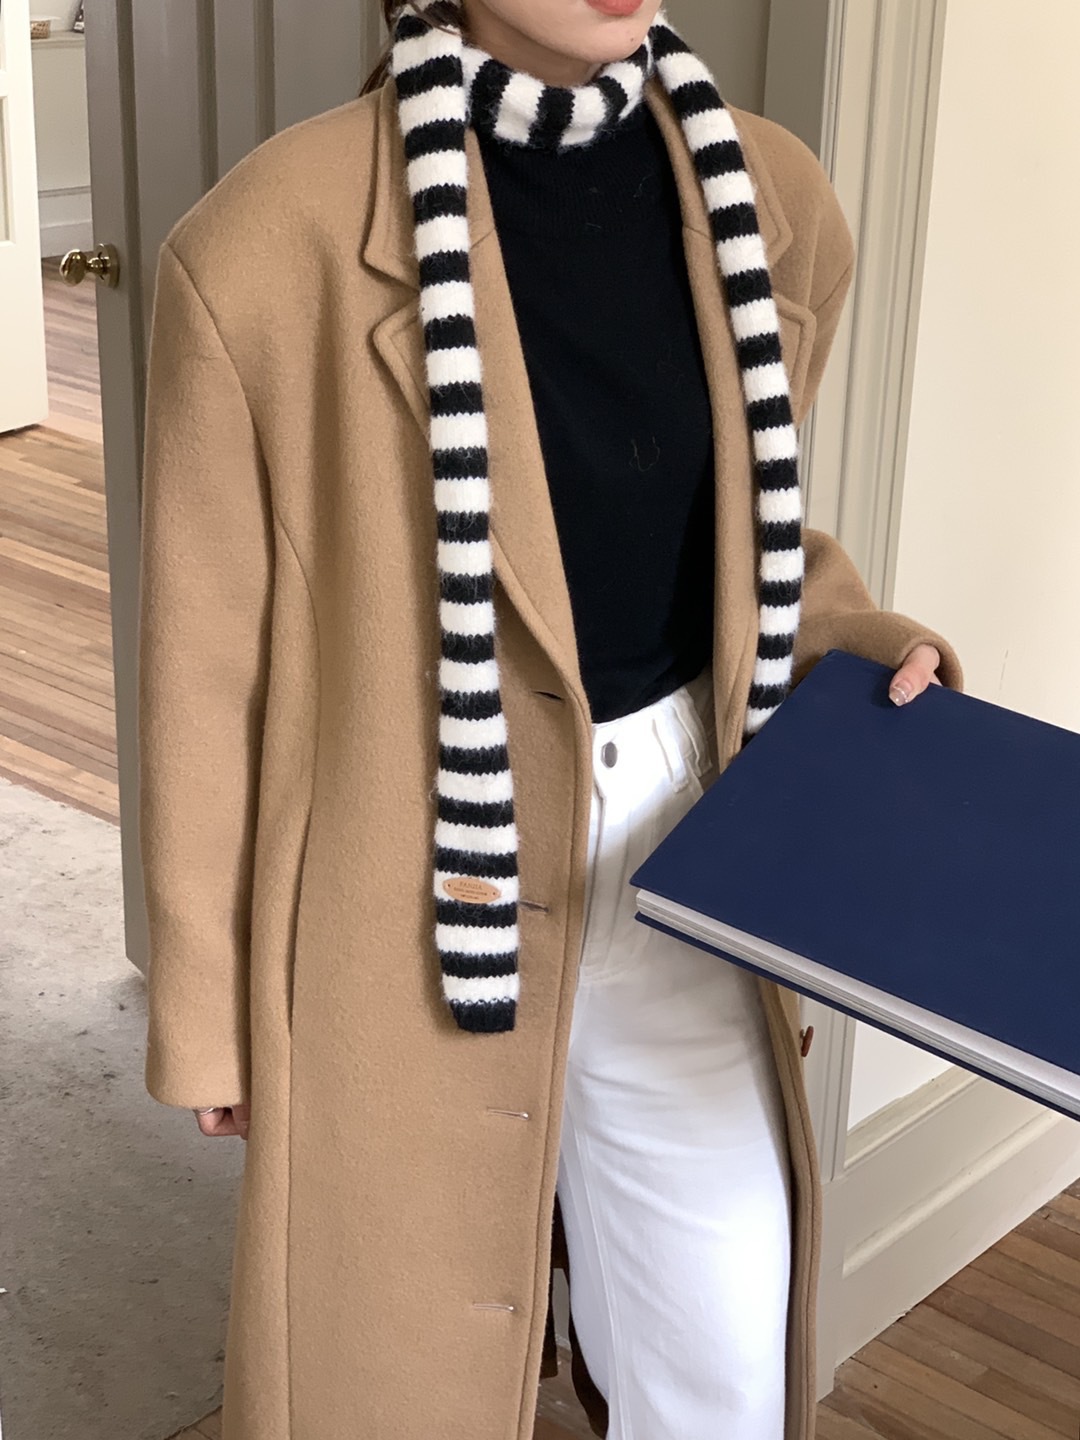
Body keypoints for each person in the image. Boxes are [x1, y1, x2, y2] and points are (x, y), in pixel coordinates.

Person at [136, 2, 962, 1437]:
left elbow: (739, 539)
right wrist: (208, 1009)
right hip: (407, 871)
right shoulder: (266, 244)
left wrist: (857, 642)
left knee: (719, 1356)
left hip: (692, 835)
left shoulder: (771, 194)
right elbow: (208, 667)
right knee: (393, 1373)